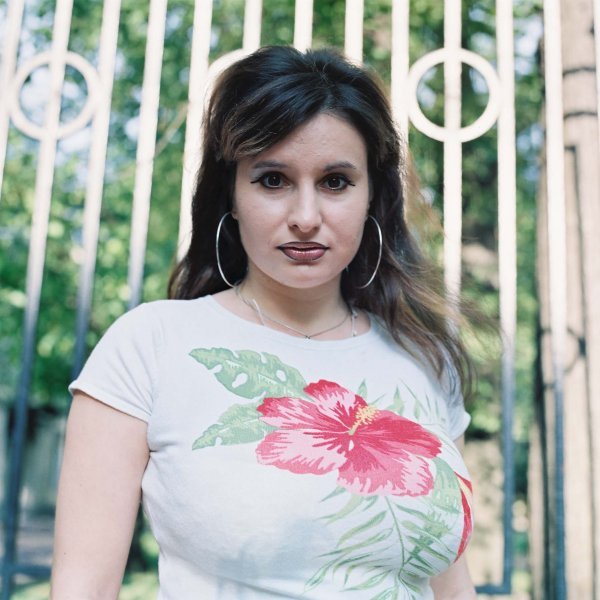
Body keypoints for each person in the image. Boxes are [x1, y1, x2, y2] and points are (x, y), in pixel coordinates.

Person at [51, 45, 477, 599]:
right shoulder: (151, 345)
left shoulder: (424, 358)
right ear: (231, 194)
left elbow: (450, 585)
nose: (305, 217)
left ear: (373, 196)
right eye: (273, 180)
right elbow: (82, 587)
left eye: (336, 182)